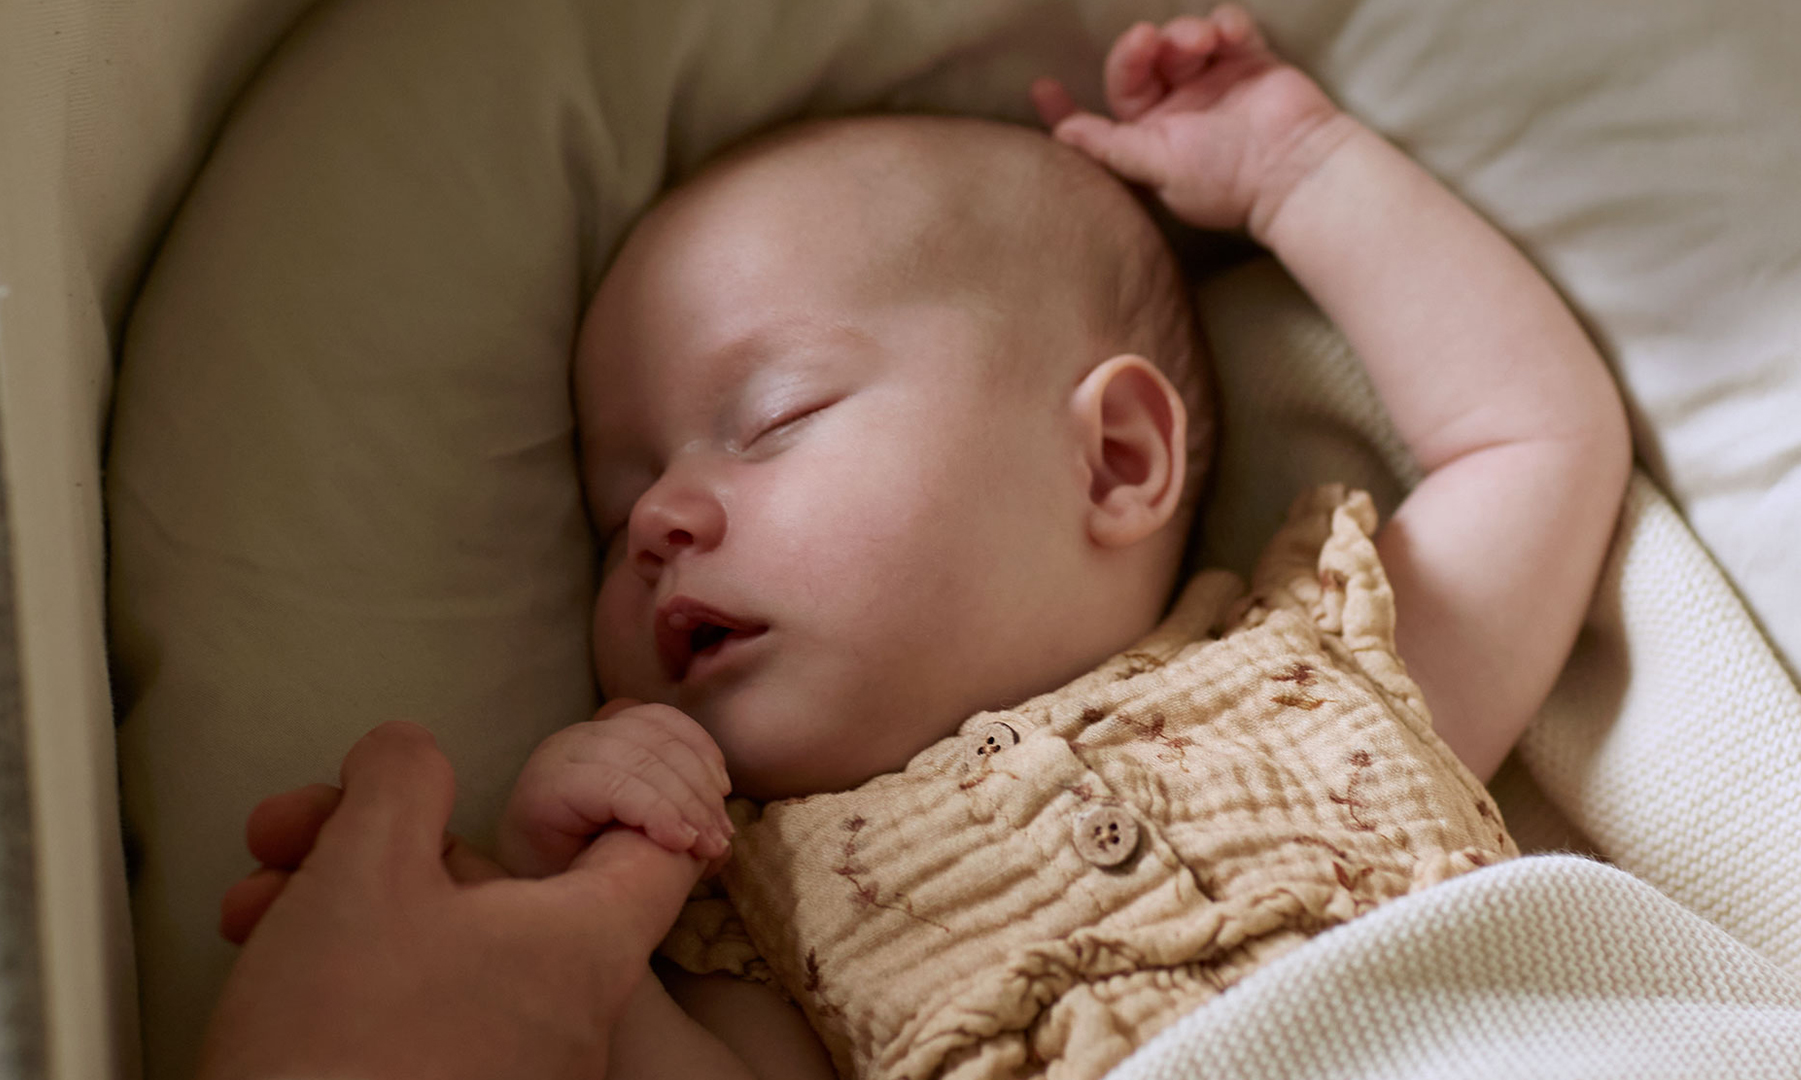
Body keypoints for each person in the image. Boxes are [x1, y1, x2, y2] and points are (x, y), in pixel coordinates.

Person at [204, 5, 1628, 1078]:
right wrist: (579, 921)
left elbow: (1531, 433)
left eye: (770, 421)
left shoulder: (1324, 678)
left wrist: (1299, 171)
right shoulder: (753, 910)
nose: (653, 521)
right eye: (609, 515)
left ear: (1116, 461)